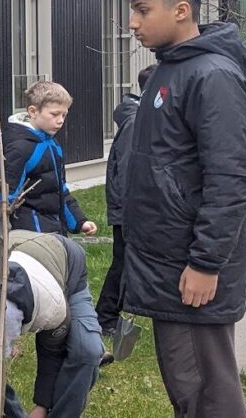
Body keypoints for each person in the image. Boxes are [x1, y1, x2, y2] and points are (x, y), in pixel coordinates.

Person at [122, 0, 246, 418]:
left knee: (208, 397)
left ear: (181, 10)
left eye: (142, 10)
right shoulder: (168, 69)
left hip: (190, 273)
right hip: (165, 266)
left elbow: (231, 176)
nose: (132, 23)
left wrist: (205, 262)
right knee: (188, 391)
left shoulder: (212, 75)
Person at [0, 231, 104, 418]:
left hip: (65, 263)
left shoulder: (52, 306)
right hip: (16, 245)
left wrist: (42, 406)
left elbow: (51, 355)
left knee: (86, 351)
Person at [0, 82, 97, 247]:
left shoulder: (52, 143)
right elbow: (0, 192)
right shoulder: (20, 148)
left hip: (54, 228)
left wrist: (79, 221)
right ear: (33, 111)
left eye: (64, 115)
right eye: (54, 114)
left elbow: (60, 190)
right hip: (28, 234)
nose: (60, 121)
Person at [94, 64, 156, 338]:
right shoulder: (136, 123)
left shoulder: (143, 117)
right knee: (124, 263)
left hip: (135, 207)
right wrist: (136, 210)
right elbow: (130, 170)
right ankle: (105, 318)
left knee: (130, 262)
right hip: (130, 209)